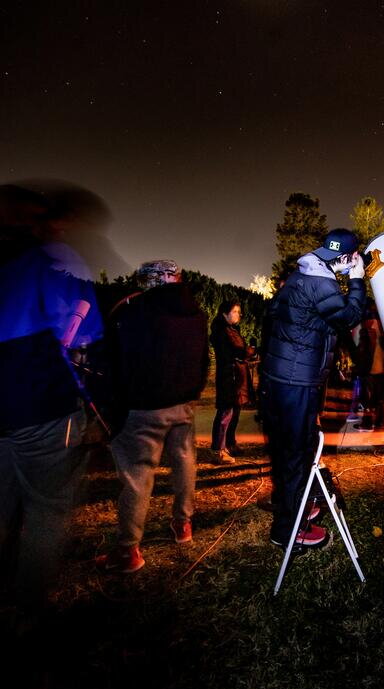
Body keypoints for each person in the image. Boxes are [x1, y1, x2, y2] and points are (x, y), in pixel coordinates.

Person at [0, 185, 104, 608]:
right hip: (38, 402)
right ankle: (25, 613)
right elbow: (85, 325)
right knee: (47, 508)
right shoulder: (52, 259)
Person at [97, 260, 208, 574]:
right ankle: (183, 524)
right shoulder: (197, 314)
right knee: (185, 460)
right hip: (183, 403)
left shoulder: (133, 312)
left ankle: (128, 549)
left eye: (142, 281)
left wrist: (117, 399)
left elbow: (115, 359)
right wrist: (194, 389)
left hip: (143, 406)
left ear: (151, 282)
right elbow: (203, 360)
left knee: (137, 475)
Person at [261, 228, 366, 551]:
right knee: (297, 451)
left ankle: (290, 504)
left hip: (278, 377)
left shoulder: (301, 274)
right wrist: (359, 280)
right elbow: (348, 316)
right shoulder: (322, 282)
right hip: (297, 380)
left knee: (284, 449)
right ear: (347, 258)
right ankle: (289, 528)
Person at [209, 300, 255, 463]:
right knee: (226, 412)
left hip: (235, 375)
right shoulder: (223, 331)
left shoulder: (231, 329)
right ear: (224, 314)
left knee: (235, 410)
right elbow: (240, 350)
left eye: (238, 311)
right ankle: (218, 449)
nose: (239, 314)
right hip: (230, 377)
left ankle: (230, 443)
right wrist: (251, 350)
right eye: (235, 311)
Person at [355, 300, 384, 430]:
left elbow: (363, 349)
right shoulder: (383, 325)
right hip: (379, 366)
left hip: (370, 367)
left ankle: (369, 421)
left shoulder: (368, 328)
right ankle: (379, 421)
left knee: (368, 396)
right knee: (378, 396)